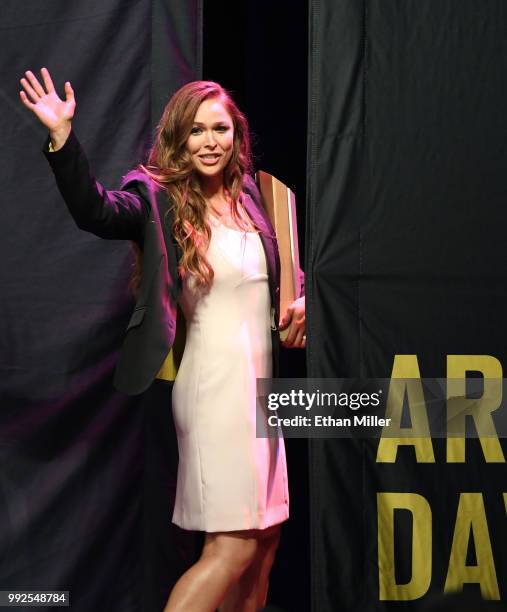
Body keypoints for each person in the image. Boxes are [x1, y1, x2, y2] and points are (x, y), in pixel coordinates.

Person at [19, 67, 306, 612]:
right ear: (178, 138)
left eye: (219, 129)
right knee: (232, 547)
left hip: (264, 397)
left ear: (236, 135)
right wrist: (61, 138)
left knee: (265, 543)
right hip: (215, 392)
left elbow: (276, 279)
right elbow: (96, 211)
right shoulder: (159, 198)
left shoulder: (253, 198)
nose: (209, 142)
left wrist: (301, 300)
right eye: (196, 131)